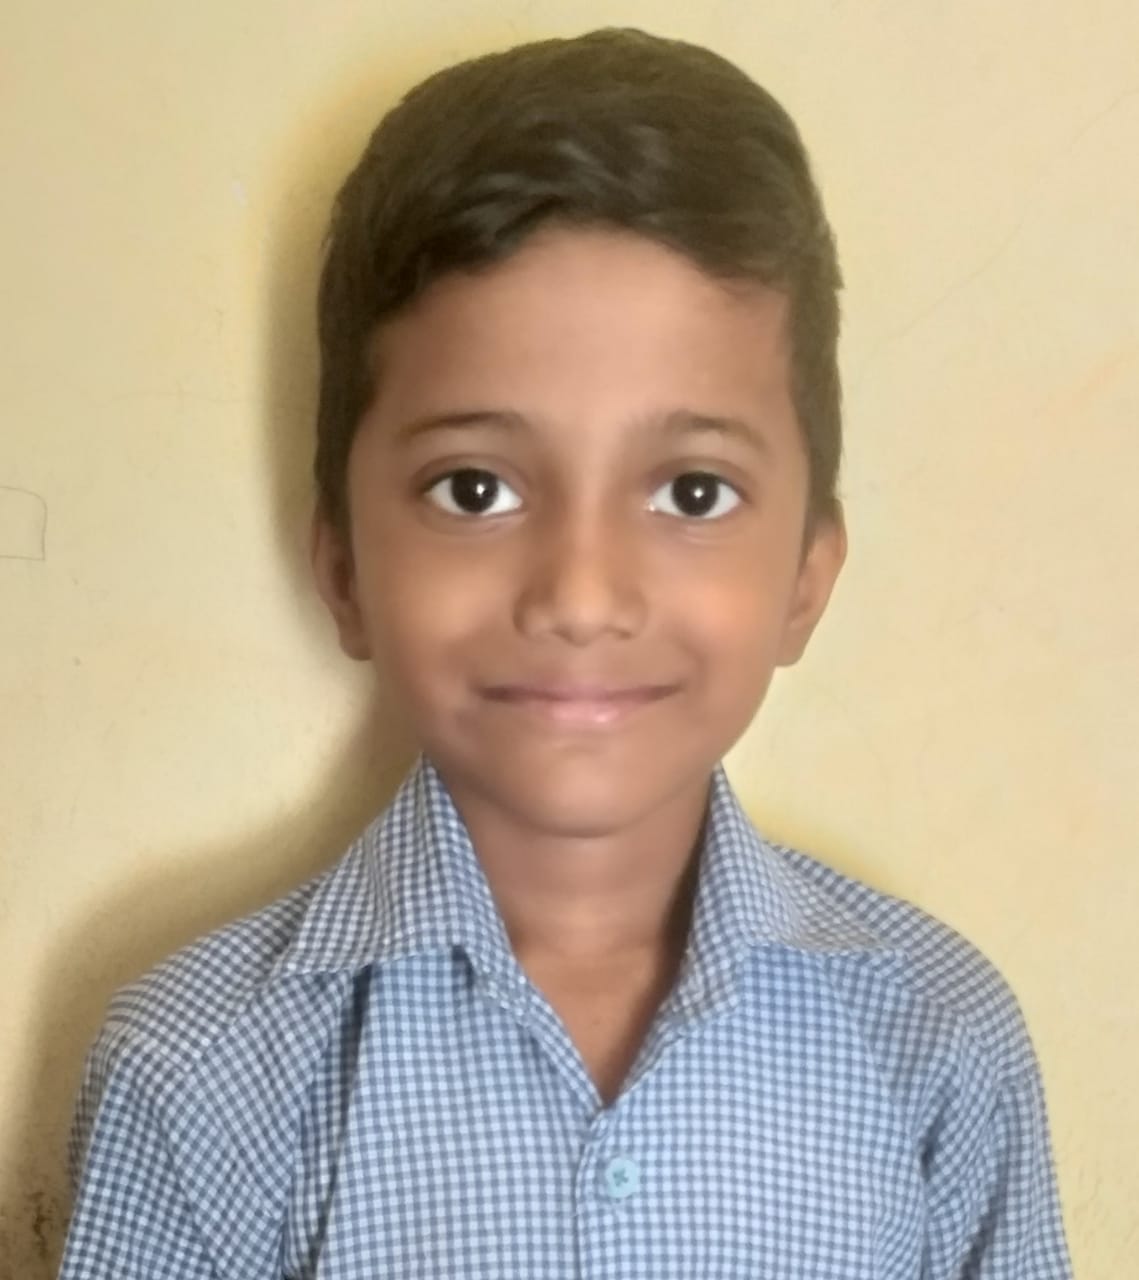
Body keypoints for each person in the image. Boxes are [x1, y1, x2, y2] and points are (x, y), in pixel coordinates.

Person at [59, 27, 1073, 1279]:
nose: (581, 595)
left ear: (807, 575)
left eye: (691, 491)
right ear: (344, 567)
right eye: (473, 487)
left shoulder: (937, 1041)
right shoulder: (196, 1070)